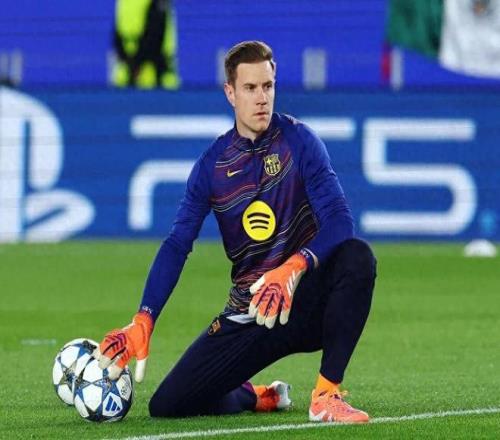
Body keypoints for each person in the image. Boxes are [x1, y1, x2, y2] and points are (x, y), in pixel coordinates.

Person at [94, 40, 377, 423]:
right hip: (252, 311)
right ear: (230, 93)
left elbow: (340, 221)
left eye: (268, 86)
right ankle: (255, 396)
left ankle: (326, 394)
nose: (261, 98)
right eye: (250, 88)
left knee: (357, 257)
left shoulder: (300, 142)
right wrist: (145, 318)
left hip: (308, 302)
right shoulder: (212, 167)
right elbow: (177, 244)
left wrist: (292, 268)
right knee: (168, 405)